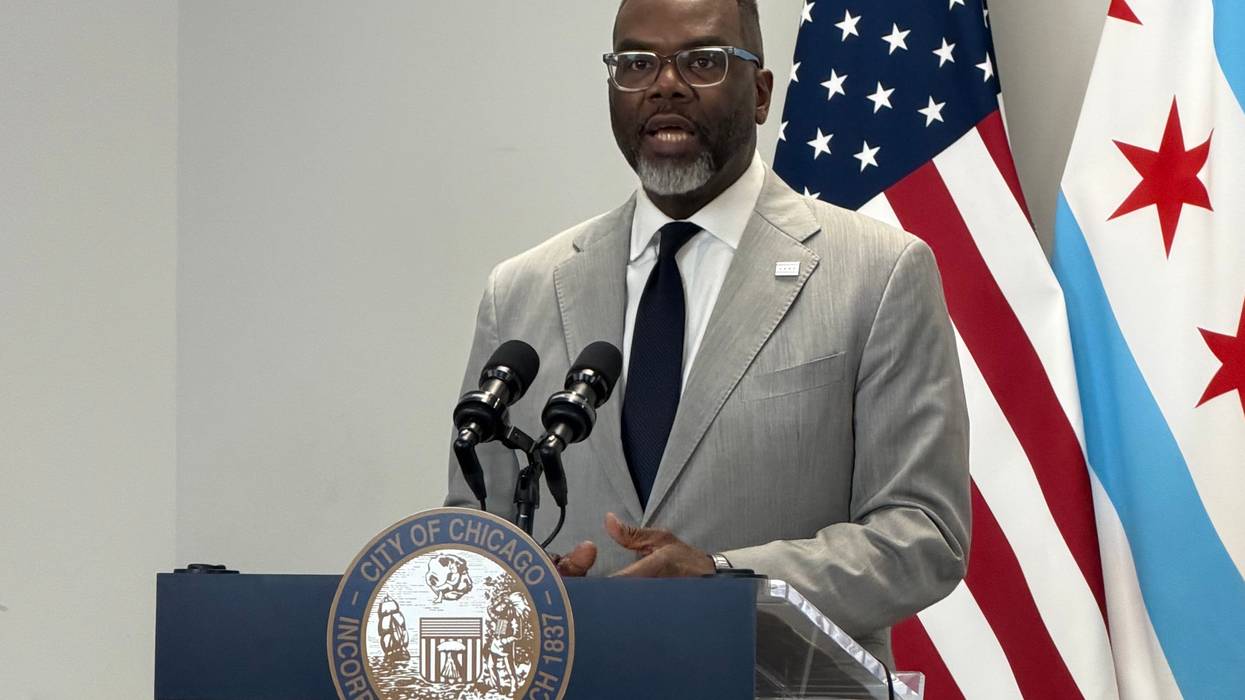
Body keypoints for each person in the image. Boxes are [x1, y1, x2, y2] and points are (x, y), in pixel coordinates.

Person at [445, 0, 970, 664]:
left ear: (760, 93)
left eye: (702, 61)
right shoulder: (521, 289)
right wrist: (522, 586)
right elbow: (474, 525)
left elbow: (921, 535)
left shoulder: (878, 271)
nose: (664, 84)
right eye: (637, 63)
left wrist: (722, 581)